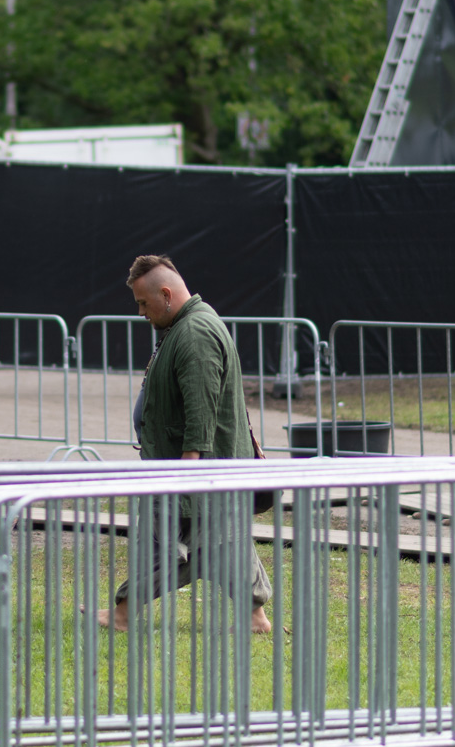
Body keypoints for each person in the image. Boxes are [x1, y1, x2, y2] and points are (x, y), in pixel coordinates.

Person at [96, 254, 273, 634]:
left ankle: (123, 612)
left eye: (144, 303)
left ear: (166, 294)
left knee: (166, 544)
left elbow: (201, 404)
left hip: (192, 470)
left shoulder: (194, 332)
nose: (141, 312)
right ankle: (255, 617)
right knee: (225, 541)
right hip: (203, 468)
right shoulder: (184, 325)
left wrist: (189, 464)